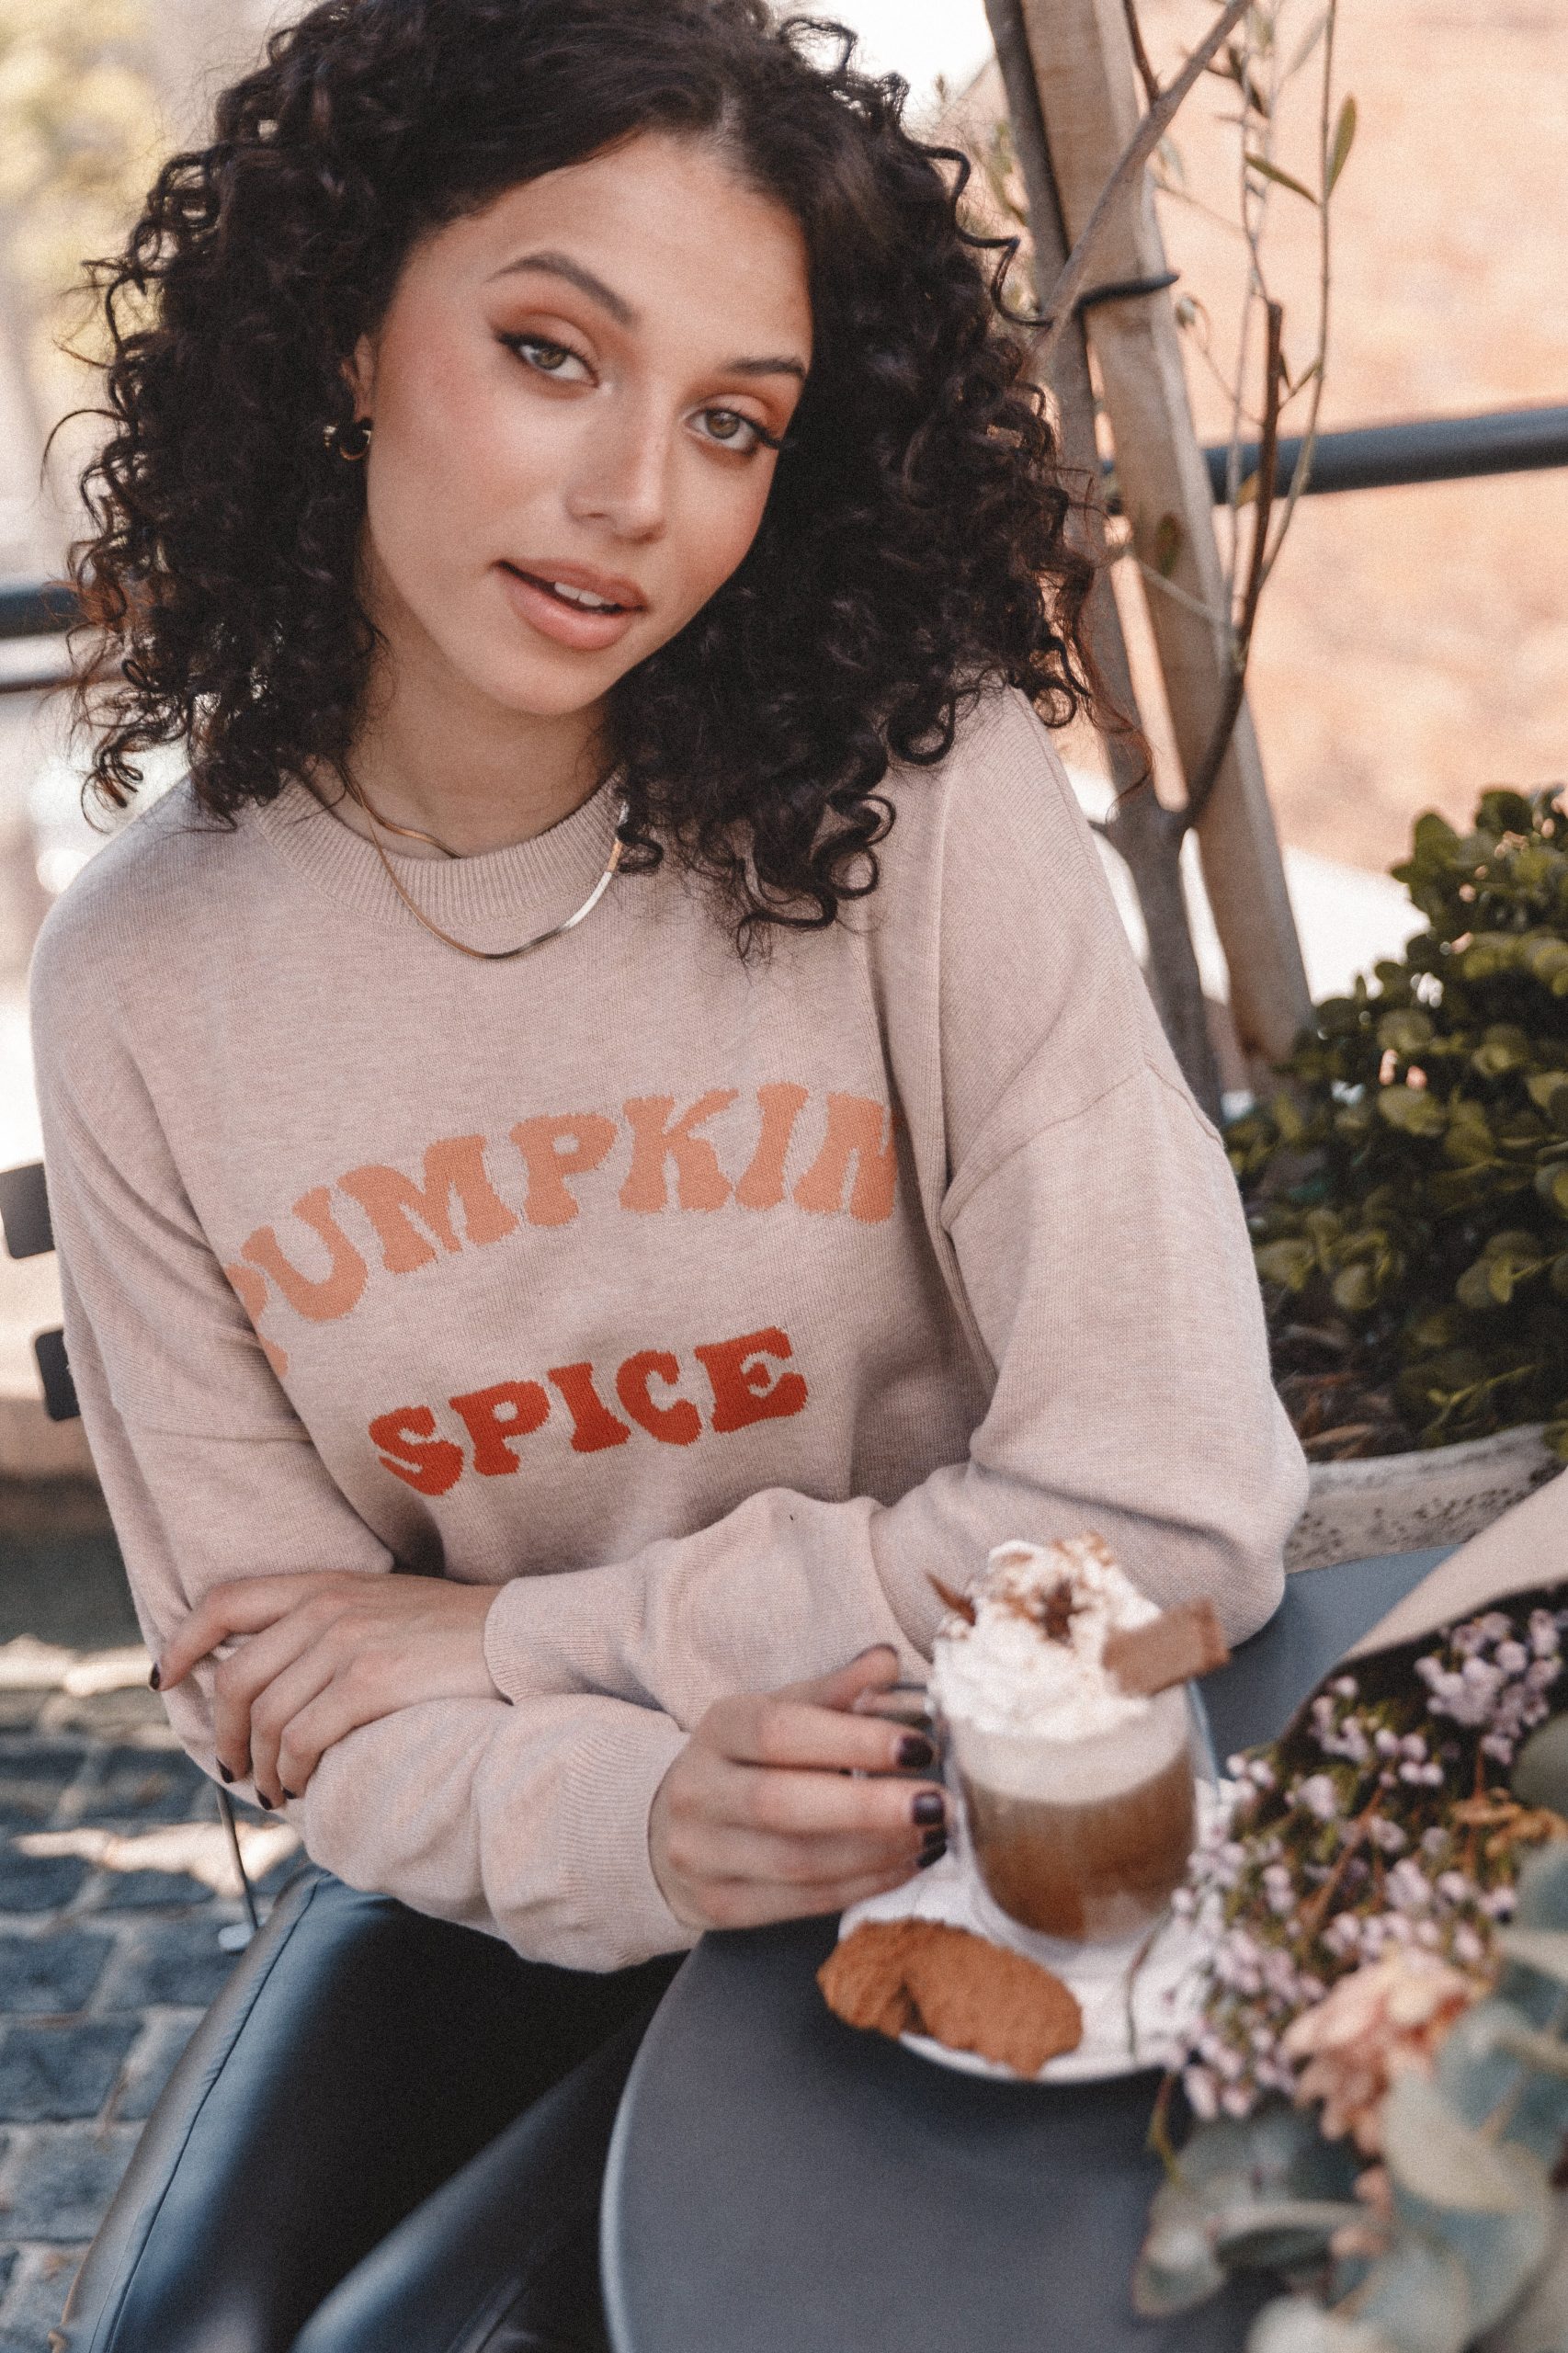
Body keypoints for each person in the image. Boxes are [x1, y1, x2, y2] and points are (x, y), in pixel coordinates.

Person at [31, 2, 1307, 2346]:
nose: (639, 493)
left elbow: (1169, 1517)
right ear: (346, 333)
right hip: (507, 1857)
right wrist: (637, 1815)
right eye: (551, 352)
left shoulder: (925, 804)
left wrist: (516, 1628)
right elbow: (286, 1685)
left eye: (734, 420)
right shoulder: (140, 976)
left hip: (1002, 1799)